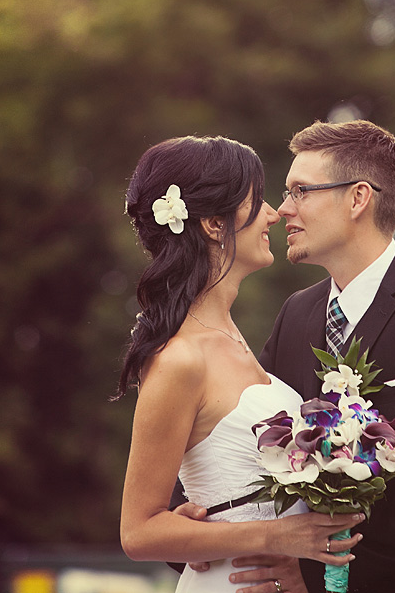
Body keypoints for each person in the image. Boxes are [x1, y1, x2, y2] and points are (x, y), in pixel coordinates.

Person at [186, 120, 395, 593]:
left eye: (301, 190)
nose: (283, 209)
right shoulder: (297, 313)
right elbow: (240, 424)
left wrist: (321, 570)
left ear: (357, 198)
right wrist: (192, 514)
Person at [117, 134, 364, 591]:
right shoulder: (181, 359)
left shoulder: (235, 337)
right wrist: (278, 536)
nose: (275, 213)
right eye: (259, 200)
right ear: (214, 224)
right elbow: (138, 532)